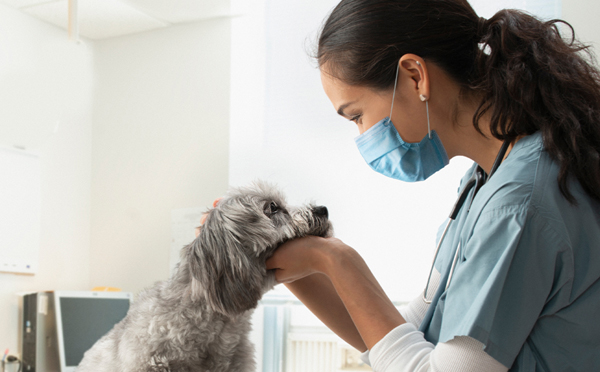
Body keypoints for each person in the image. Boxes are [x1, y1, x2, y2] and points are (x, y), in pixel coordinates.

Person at [265, 0, 600, 371]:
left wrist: (336, 260)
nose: (361, 136)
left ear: (414, 76)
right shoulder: (481, 183)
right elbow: (408, 333)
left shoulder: (518, 206)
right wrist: (286, 264)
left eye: (357, 115)